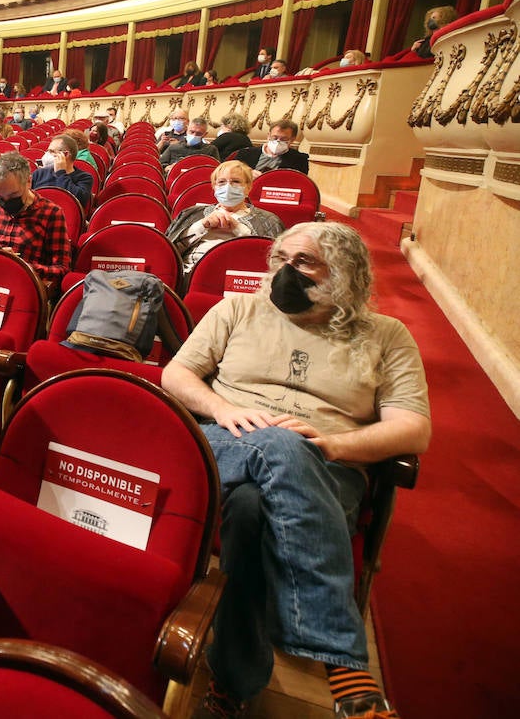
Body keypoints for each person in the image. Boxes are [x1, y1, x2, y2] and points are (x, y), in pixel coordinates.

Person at [161, 222, 429, 719]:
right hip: (226, 442)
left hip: (328, 468)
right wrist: (221, 409)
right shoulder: (239, 308)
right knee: (276, 449)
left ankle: (231, 681)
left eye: (303, 262)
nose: (284, 271)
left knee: (249, 510)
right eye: (279, 258)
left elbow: (413, 429)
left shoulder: (387, 336)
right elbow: (175, 373)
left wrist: (333, 445)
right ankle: (345, 667)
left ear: (345, 275)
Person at [0, 152, 70, 284]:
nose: (6, 202)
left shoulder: (51, 213)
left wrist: (18, 264)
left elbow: (61, 269)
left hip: (21, 286)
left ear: (28, 182)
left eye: (13, 195)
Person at [167, 160, 285, 274]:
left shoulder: (269, 220)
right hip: (190, 274)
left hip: (239, 278)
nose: (228, 187)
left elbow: (274, 263)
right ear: (214, 187)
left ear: (248, 188)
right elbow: (168, 252)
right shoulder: (191, 213)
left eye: (236, 182)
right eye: (221, 182)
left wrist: (239, 230)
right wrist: (201, 226)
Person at [31, 134, 94, 206]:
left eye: (52, 151)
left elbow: (78, 200)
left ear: (66, 154)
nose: (47, 154)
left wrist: (60, 173)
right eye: (47, 151)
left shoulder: (84, 178)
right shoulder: (39, 173)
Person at [236, 119, 310, 175]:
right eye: (274, 138)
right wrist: (248, 174)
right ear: (268, 135)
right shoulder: (245, 154)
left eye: (284, 139)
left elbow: (298, 182)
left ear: (293, 139)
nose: (278, 141)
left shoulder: (299, 159)